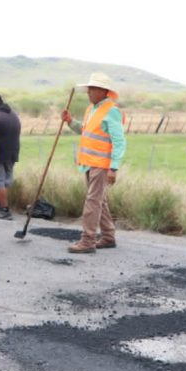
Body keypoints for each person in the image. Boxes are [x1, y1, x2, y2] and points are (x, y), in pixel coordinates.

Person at [60, 72, 127, 254]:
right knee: (99, 200)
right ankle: (108, 236)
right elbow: (85, 130)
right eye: (89, 88)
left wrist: (113, 168)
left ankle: (87, 241)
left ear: (104, 91)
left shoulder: (112, 111)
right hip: (89, 163)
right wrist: (70, 121)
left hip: (102, 164)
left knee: (92, 201)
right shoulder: (91, 109)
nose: (89, 92)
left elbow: (119, 142)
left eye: (93, 88)